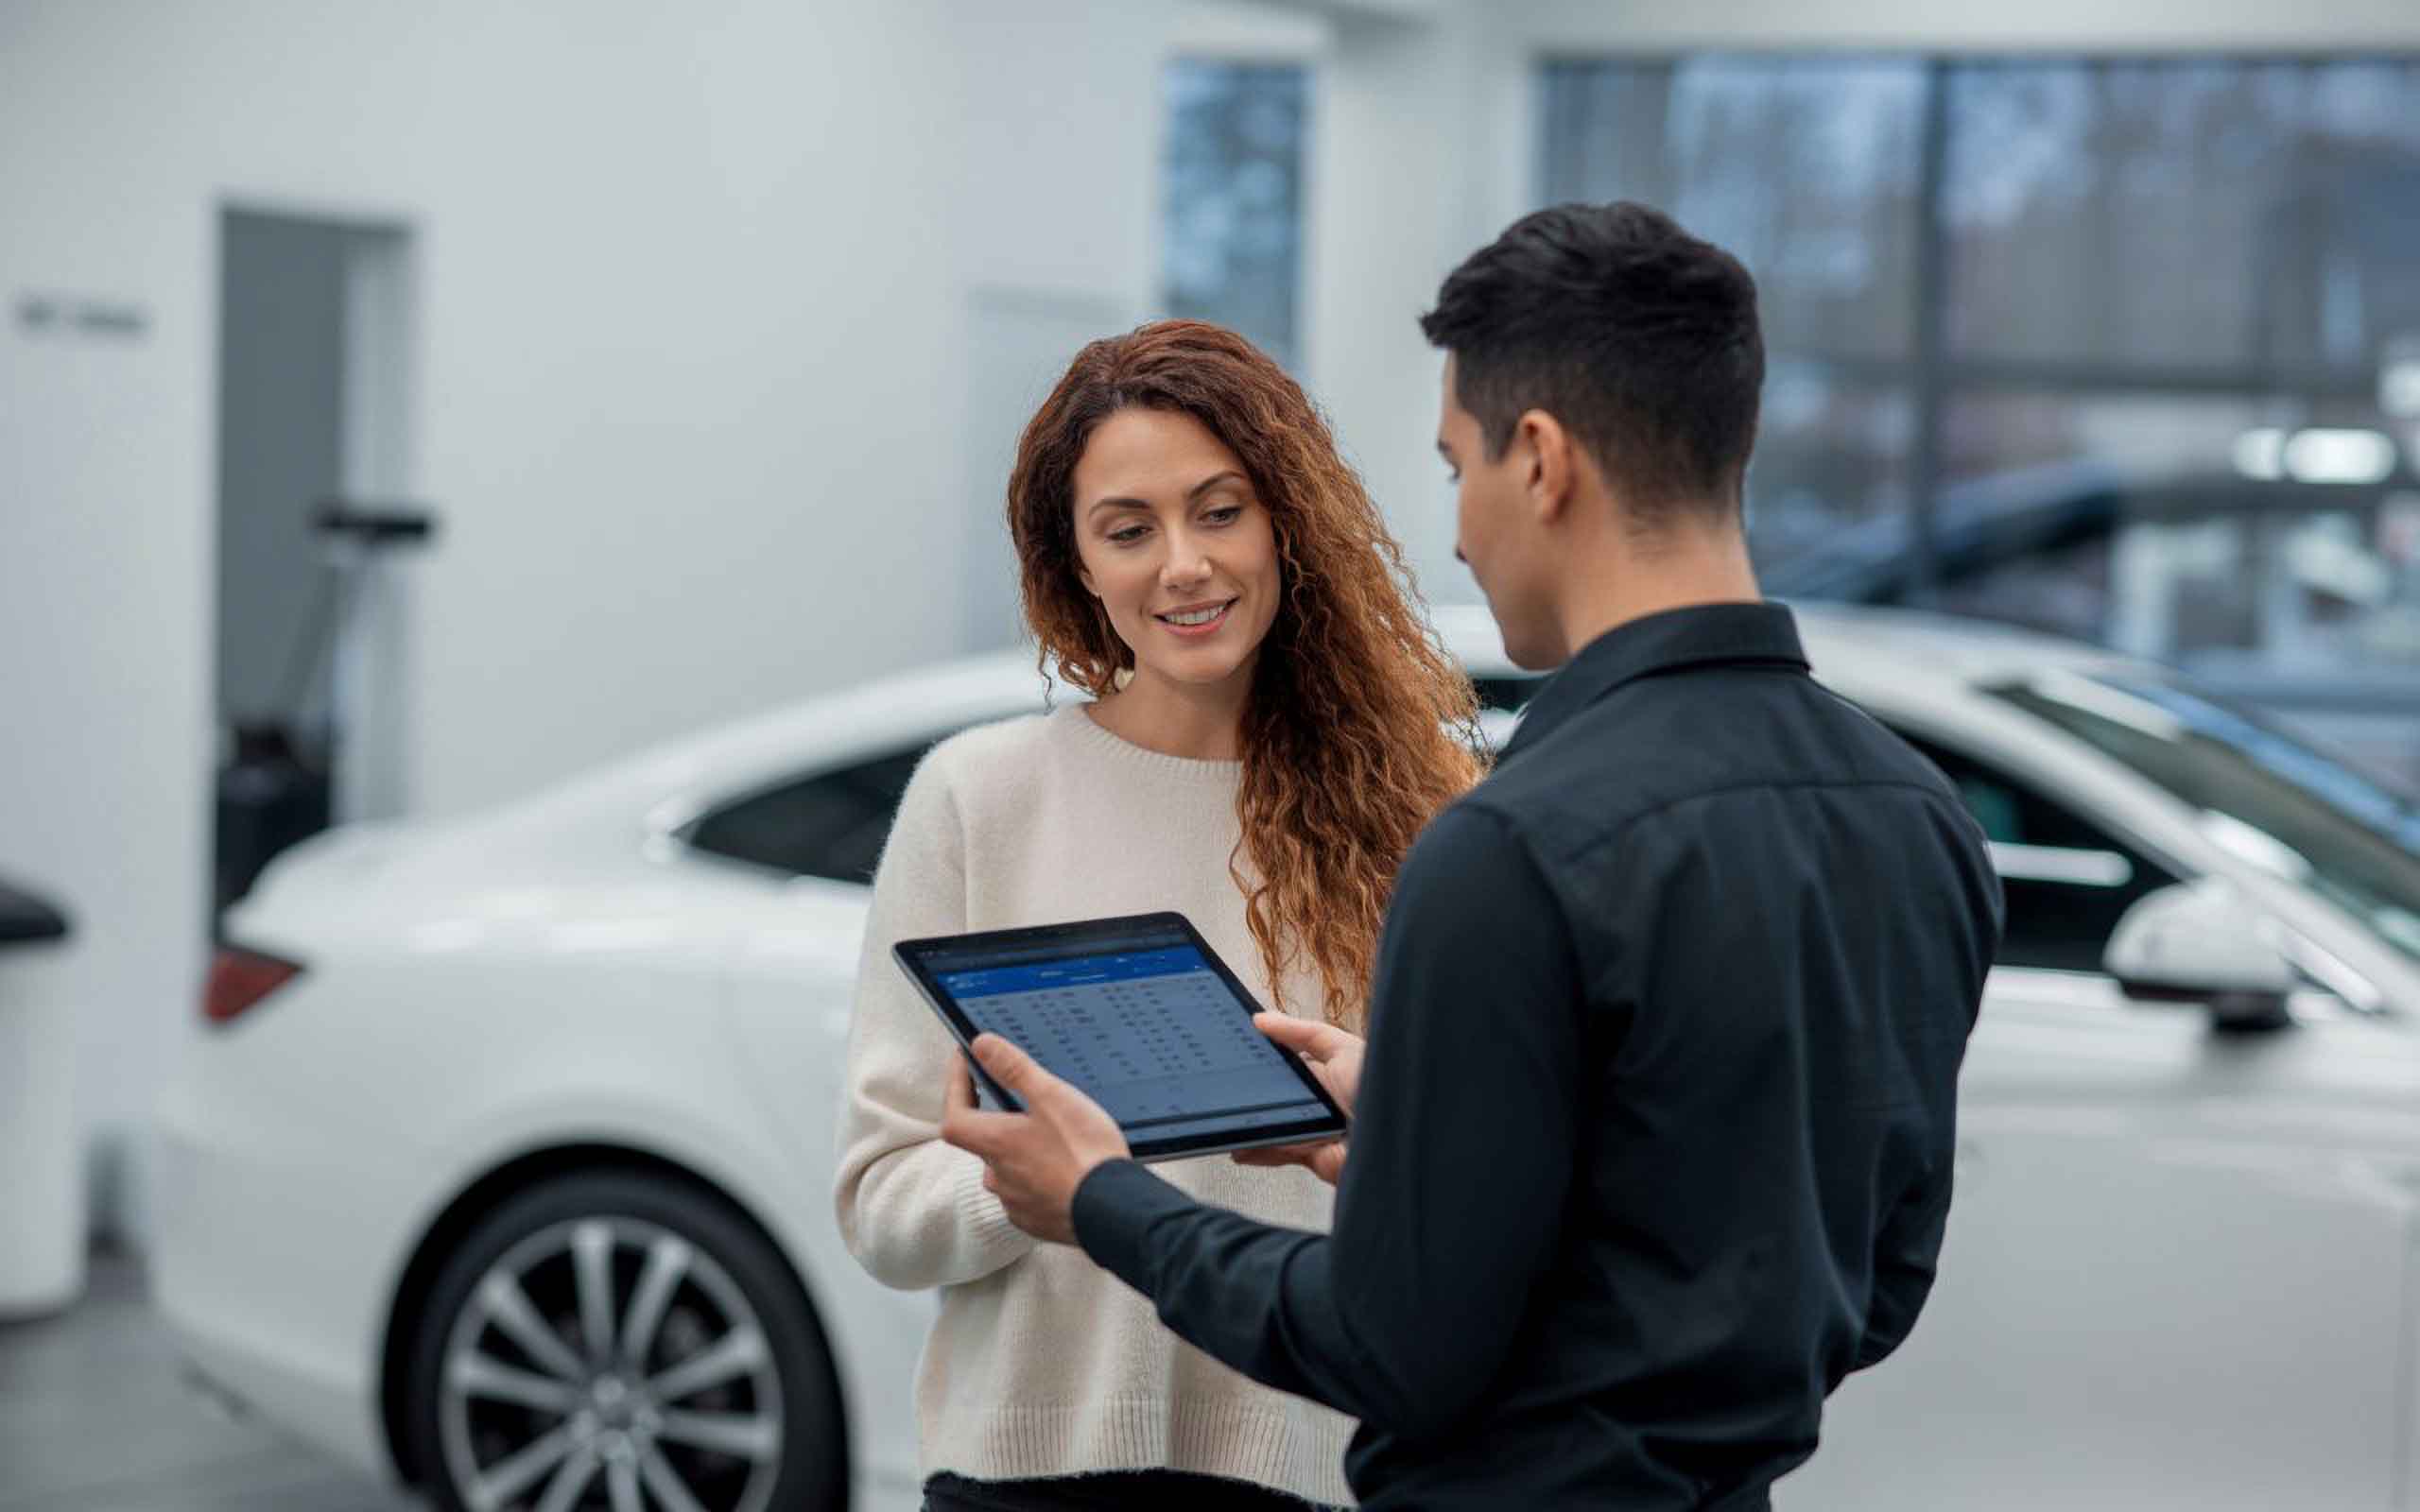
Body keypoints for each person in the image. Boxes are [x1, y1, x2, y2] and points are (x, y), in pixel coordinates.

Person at [940, 202, 2006, 1510]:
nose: (1454, 530)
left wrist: (1104, 1199)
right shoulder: (1918, 818)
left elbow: (1390, 1347)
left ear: (1543, 461)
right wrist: (1418, 1128)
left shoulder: (1513, 845)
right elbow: (1874, 1286)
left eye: (1458, 468)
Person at [833, 318, 1484, 1511]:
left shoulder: (1438, 809)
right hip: (1031, 1474)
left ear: (1286, 521)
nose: (1182, 563)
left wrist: (1377, 1132)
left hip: (1328, 1471)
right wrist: (1028, 1183)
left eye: (1219, 509)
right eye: (1128, 530)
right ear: (1077, 565)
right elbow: (883, 1205)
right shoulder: (979, 798)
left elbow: (1487, 1183)